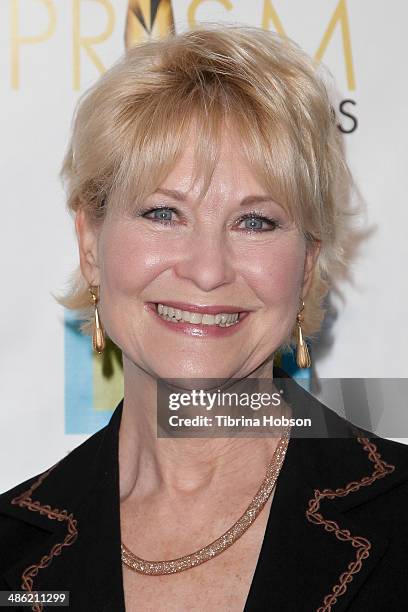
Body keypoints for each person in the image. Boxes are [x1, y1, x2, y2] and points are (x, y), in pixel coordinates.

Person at [1, 24, 407, 612]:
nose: (208, 270)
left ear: (307, 265)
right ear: (90, 244)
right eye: (164, 213)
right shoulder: (10, 554)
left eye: (256, 222)